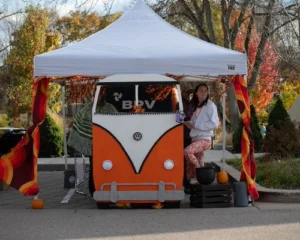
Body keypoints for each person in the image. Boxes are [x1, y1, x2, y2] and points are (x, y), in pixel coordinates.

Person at [184, 83, 219, 183]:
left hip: (205, 139)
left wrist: (196, 125)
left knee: (187, 151)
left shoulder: (211, 106)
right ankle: (197, 184)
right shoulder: (195, 106)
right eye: (201, 90)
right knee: (192, 163)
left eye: (205, 90)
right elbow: (195, 122)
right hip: (195, 138)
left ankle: (202, 172)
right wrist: (189, 123)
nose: (203, 92)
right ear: (196, 93)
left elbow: (214, 124)